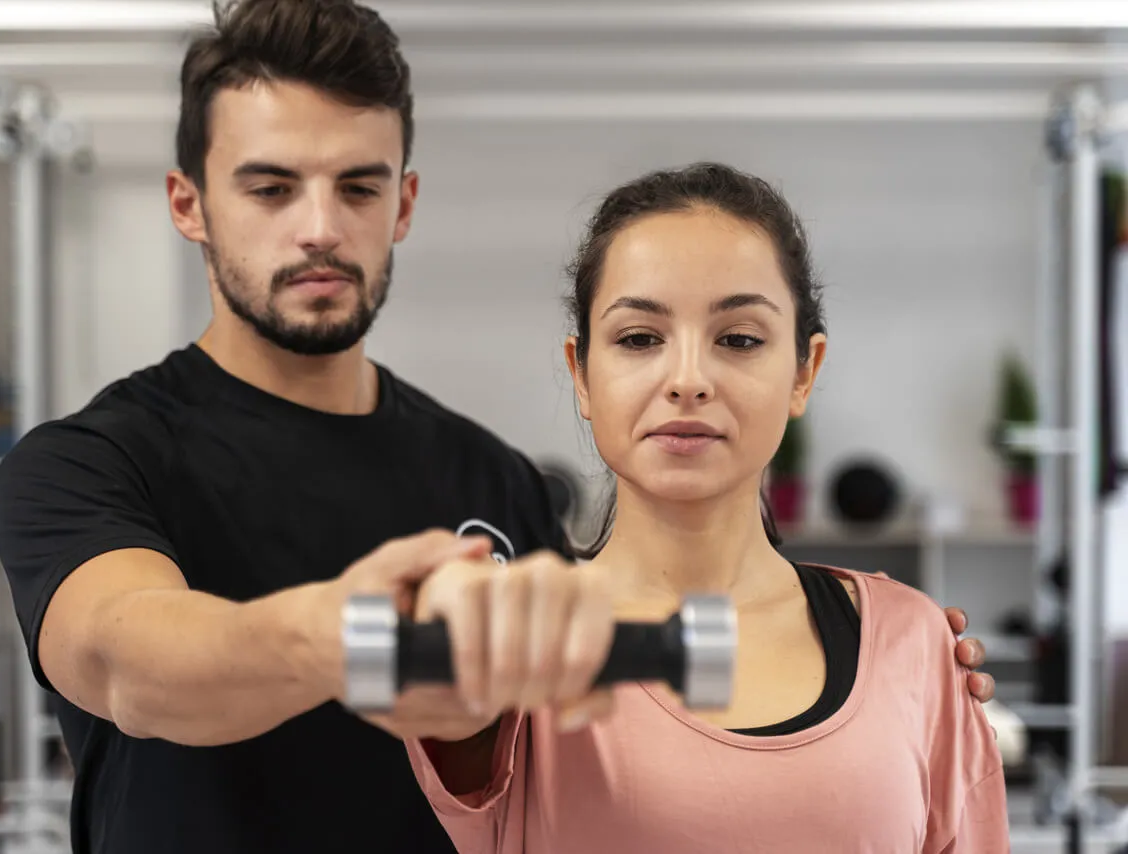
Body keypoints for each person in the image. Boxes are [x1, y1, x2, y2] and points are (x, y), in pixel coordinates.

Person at [0, 1, 999, 852]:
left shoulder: (492, 479)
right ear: (187, 203)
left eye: (357, 185)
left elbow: (618, 706)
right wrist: (346, 636)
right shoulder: (88, 463)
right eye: (269, 186)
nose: (318, 227)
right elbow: (130, 663)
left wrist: (889, 662)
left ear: (405, 203)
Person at [403, 162, 1011, 852]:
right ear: (582, 374)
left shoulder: (914, 643)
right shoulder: (515, 641)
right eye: (639, 339)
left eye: (739, 339)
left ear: (803, 372)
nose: (687, 379)